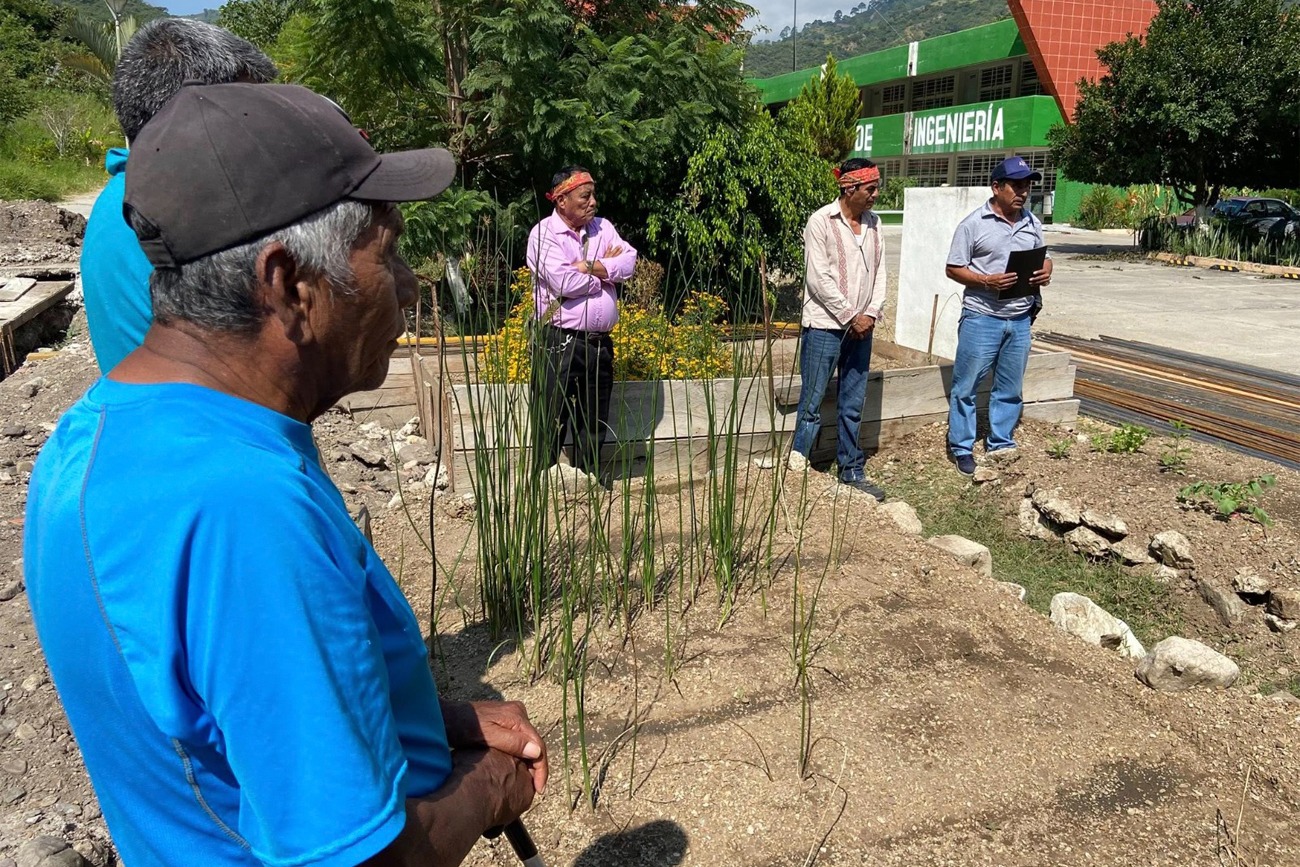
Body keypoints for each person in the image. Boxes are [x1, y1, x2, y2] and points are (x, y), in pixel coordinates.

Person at [25, 82, 545, 866]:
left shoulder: (96, 431)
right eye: (388, 252)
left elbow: (228, 711)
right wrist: (485, 787)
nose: (406, 285)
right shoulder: (246, 511)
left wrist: (434, 718)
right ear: (290, 285)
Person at [81, 18, 278, 373]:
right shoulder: (182, 208)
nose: (261, 128)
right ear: (195, 114)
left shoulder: (123, 193)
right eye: (250, 111)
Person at [944, 155, 1053, 476]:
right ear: (996, 187)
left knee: (1009, 386)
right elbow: (953, 268)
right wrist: (985, 281)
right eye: (1016, 186)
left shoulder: (1032, 223)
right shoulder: (973, 225)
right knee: (966, 386)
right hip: (982, 317)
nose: (1023, 192)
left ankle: (1001, 441)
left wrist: (1046, 271)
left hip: (1019, 320)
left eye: (1027, 186)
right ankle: (962, 447)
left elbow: (1045, 259)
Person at [526, 166, 637, 478]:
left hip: (599, 344)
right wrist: (603, 276)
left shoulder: (603, 228)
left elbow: (628, 262)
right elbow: (563, 282)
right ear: (562, 200)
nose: (593, 202)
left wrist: (586, 265)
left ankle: (589, 484)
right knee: (550, 420)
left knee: (594, 420)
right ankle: (543, 488)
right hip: (559, 340)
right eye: (585, 196)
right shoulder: (543, 234)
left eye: (593, 195)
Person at [788, 157, 889, 501]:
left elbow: (881, 275)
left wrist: (871, 314)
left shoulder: (875, 224)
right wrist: (851, 315)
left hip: (863, 328)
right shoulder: (820, 221)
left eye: (877, 187)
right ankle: (799, 466)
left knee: (852, 400)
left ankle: (851, 469)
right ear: (849, 188)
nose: (876, 194)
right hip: (825, 327)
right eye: (870, 188)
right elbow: (818, 279)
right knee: (812, 399)